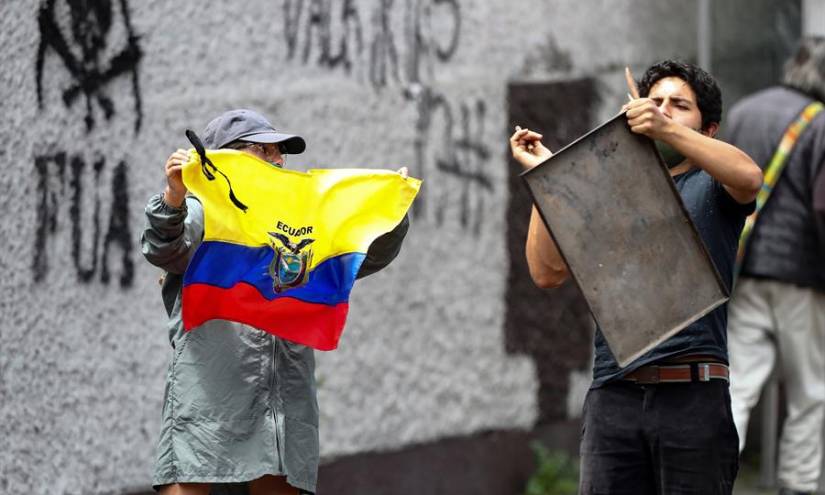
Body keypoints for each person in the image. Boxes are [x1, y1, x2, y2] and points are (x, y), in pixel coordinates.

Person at [509, 60, 762, 494]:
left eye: (679, 105)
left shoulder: (713, 184)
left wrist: (664, 129)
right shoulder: (610, 191)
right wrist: (546, 179)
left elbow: (750, 177)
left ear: (709, 130)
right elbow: (546, 272)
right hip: (614, 396)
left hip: (694, 395)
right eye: (656, 101)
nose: (663, 110)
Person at [141, 109, 410, 495]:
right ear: (225, 158)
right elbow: (164, 248)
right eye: (263, 150)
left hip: (283, 402)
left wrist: (388, 213)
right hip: (210, 396)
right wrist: (173, 196)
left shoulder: (300, 221)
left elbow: (360, 258)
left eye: (280, 151)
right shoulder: (205, 210)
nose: (278, 160)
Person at [724, 37, 825, 495]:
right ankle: (799, 486)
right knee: (810, 390)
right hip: (803, 275)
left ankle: (714, 475)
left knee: (738, 385)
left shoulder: (746, 110)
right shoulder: (821, 122)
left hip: (745, 267)